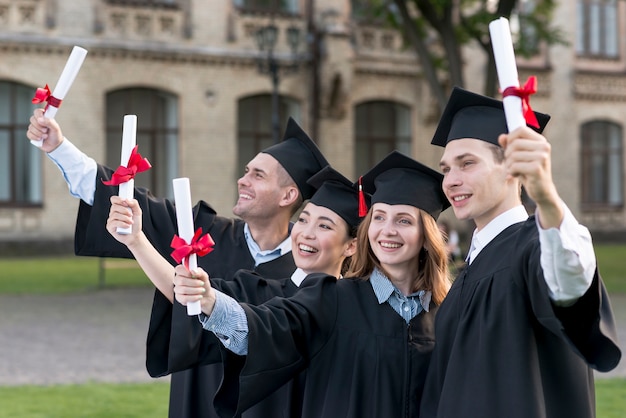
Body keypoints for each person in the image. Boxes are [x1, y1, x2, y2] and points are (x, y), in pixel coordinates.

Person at [26, 111, 329, 418]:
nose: (242, 180)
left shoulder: (311, 267)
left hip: (273, 406)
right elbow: (118, 197)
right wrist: (58, 146)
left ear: (288, 195)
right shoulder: (198, 233)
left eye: (258, 175)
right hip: (197, 399)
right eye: (247, 170)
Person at [174, 150, 452, 418]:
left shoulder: (448, 313)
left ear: (426, 235)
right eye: (378, 217)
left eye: (403, 220)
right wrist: (210, 301)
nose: (387, 230)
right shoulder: (334, 298)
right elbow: (270, 327)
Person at [420, 87, 622, 418]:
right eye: (446, 169)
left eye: (467, 164)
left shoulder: (535, 248)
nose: (451, 181)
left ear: (513, 169)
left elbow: (570, 284)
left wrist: (548, 200)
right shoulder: (467, 274)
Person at [107, 164, 364, 417]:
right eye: (304, 220)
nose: (306, 233)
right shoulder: (260, 291)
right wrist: (136, 241)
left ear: (351, 246)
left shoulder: (363, 308)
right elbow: (185, 291)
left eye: (324, 226)